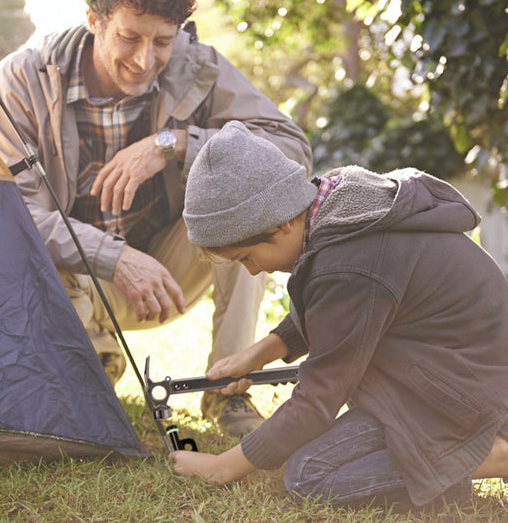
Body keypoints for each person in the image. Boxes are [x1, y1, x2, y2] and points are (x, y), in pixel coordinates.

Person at [0, 0, 312, 437]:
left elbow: (290, 154)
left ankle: (228, 391)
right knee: (77, 406)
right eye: (129, 37)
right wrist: (116, 258)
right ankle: (94, 368)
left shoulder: (201, 67)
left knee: (247, 210)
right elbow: (10, 214)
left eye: (162, 41)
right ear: (93, 20)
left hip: (168, 271)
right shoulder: (22, 79)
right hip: (67, 282)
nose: (144, 58)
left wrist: (170, 145)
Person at [172, 120, 508, 508]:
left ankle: (490, 454)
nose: (251, 270)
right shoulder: (341, 207)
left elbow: (317, 401)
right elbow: (342, 312)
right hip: (448, 377)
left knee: (310, 476)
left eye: (247, 256)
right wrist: (259, 353)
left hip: (469, 398)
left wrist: (223, 466)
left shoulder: (349, 262)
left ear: (281, 221)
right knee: (308, 458)